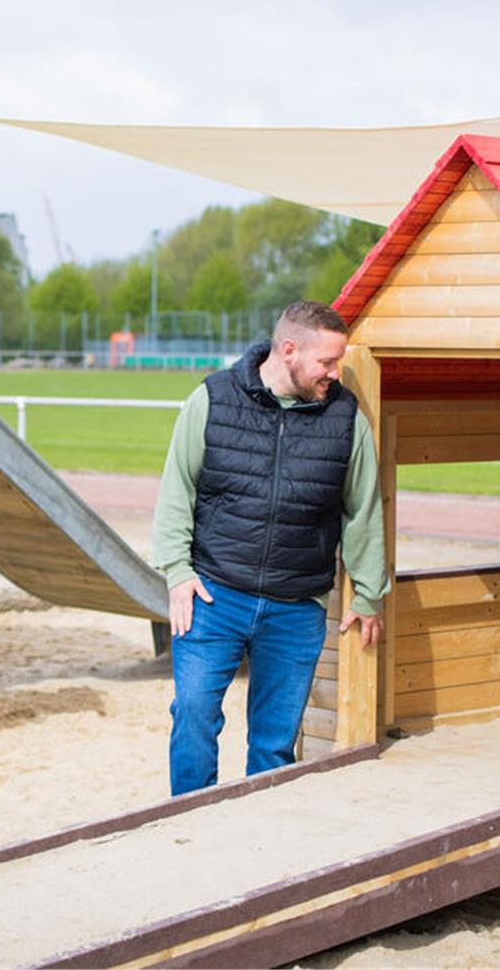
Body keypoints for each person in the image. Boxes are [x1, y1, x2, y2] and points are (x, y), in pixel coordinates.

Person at [151, 300, 389, 797]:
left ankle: (261, 844)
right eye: (326, 361)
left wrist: (368, 595)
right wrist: (177, 571)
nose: (335, 372)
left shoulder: (346, 418)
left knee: (274, 744)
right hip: (213, 597)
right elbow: (177, 489)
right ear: (288, 351)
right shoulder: (213, 398)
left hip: (296, 608)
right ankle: (189, 822)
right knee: (193, 715)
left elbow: (362, 510)